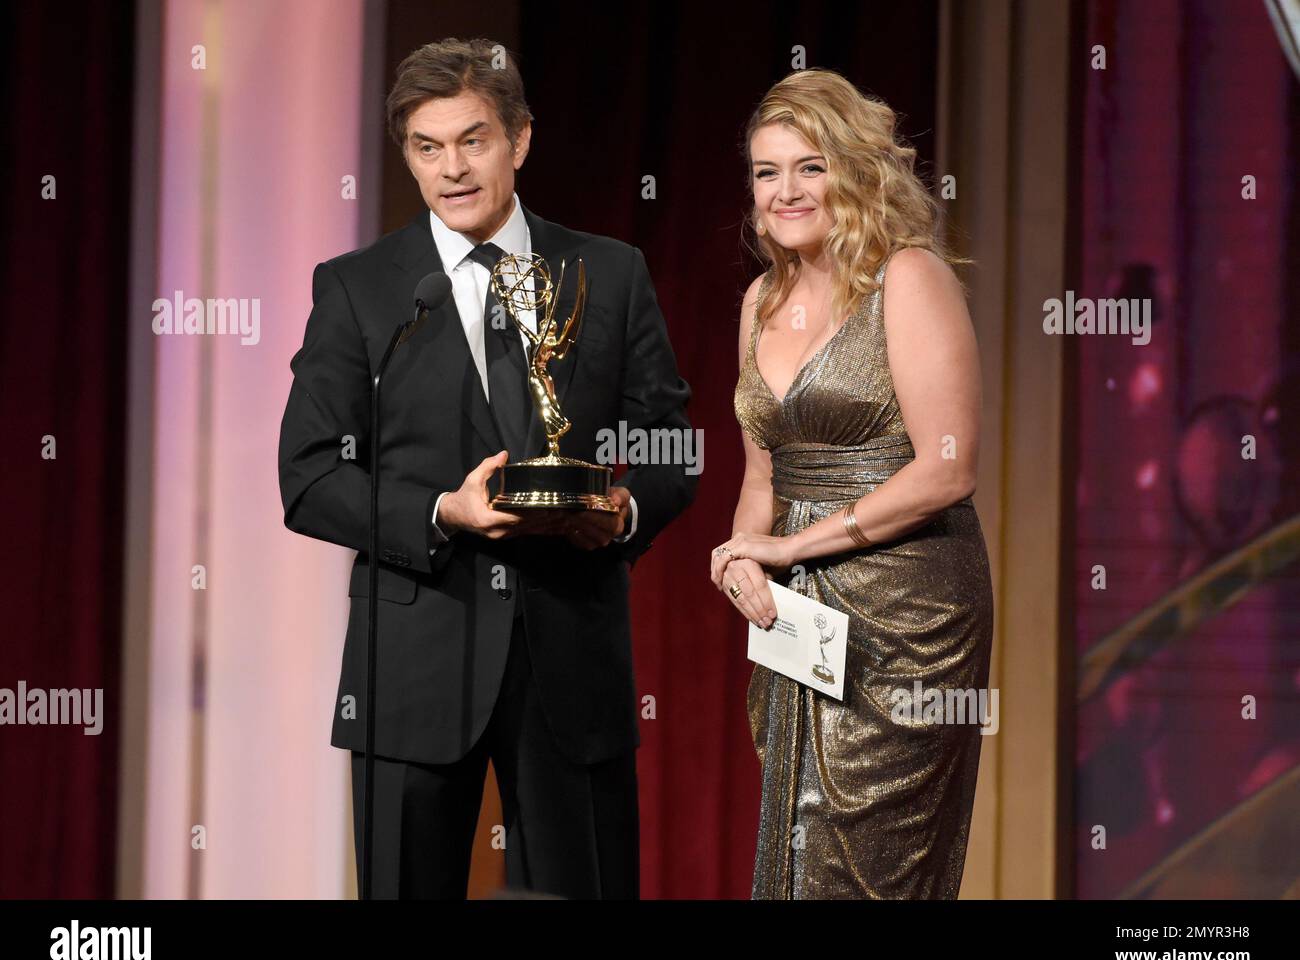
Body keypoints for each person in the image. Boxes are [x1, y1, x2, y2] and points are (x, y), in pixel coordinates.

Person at [278, 37, 696, 899]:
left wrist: (618, 514)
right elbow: (310, 474)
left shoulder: (609, 273)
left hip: (571, 657)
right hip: (412, 663)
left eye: (473, 140)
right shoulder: (359, 289)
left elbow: (671, 444)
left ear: (522, 139)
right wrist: (441, 512)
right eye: (427, 149)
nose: (452, 169)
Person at [712, 69, 993, 899]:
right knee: (798, 841)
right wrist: (741, 557)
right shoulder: (761, 300)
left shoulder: (908, 277)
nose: (786, 190)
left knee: (871, 864)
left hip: (909, 612)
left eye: (810, 166)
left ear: (857, 171)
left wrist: (793, 544)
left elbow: (948, 466)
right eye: (768, 172)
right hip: (799, 615)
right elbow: (762, 472)